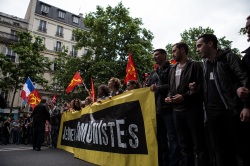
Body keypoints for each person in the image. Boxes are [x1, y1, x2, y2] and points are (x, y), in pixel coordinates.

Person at [196, 34, 250, 166]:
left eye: (199, 45)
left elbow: (245, 80)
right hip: (212, 116)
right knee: (220, 152)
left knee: (241, 150)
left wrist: (247, 106)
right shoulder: (205, 65)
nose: (197, 49)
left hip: (231, 112)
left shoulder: (228, 58)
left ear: (210, 44)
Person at [165, 42, 210, 166]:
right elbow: (171, 88)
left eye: (174, 51)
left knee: (199, 144)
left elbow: (202, 89)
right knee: (184, 145)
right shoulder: (172, 69)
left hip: (192, 111)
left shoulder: (196, 65)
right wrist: (169, 97)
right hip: (177, 112)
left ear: (183, 50)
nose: (172, 54)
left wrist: (184, 97)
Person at [146, 48, 181, 166]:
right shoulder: (152, 73)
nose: (154, 57)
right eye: (154, 55)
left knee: (172, 138)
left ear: (164, 55)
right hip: (156, 109)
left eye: (157, 54)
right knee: (160, 139)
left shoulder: (172, 69)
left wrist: (158, 88)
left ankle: (174, 162)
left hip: (169, 108)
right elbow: (147, 89)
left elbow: (174, 85)